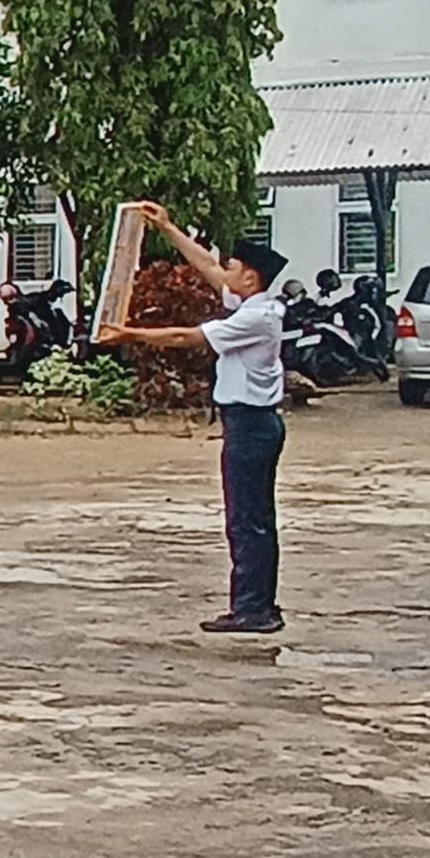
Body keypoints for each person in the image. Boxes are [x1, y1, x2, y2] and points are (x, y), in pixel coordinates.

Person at [96, 205, 290, 635]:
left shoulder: (255, 316)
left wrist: (127, 334)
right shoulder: (257, 304)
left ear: (250, 279)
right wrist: (167, 227)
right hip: (253, 424)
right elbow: (208, 268)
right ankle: (257, 605)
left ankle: (253, 610)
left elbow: (186, 337)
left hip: (251, 426)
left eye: (234, 268)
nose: (225, 272)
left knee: (247, 520)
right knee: (253, 518)